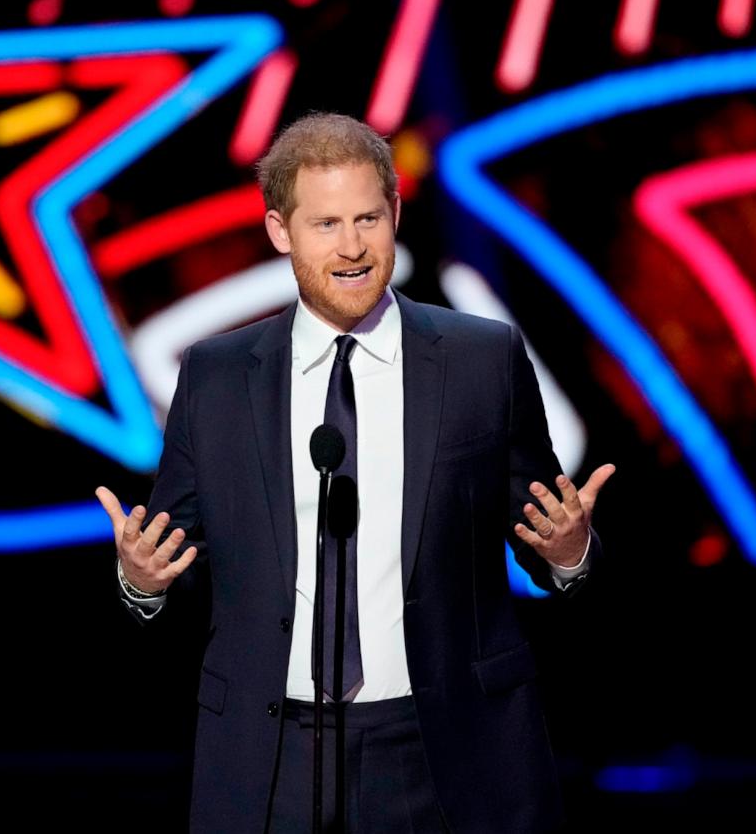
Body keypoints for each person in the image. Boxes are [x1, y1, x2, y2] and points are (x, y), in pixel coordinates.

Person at [96, 112, 613, 833]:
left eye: (368, 218)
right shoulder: (217, 378)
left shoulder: (479, 359)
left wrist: (567, 555)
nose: (352, 247)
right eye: (326, 223)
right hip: (271, 751)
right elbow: (174, 553)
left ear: (396, 214)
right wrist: (141, 582)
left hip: (445, 746)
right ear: (280, 231)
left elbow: (540, 532)